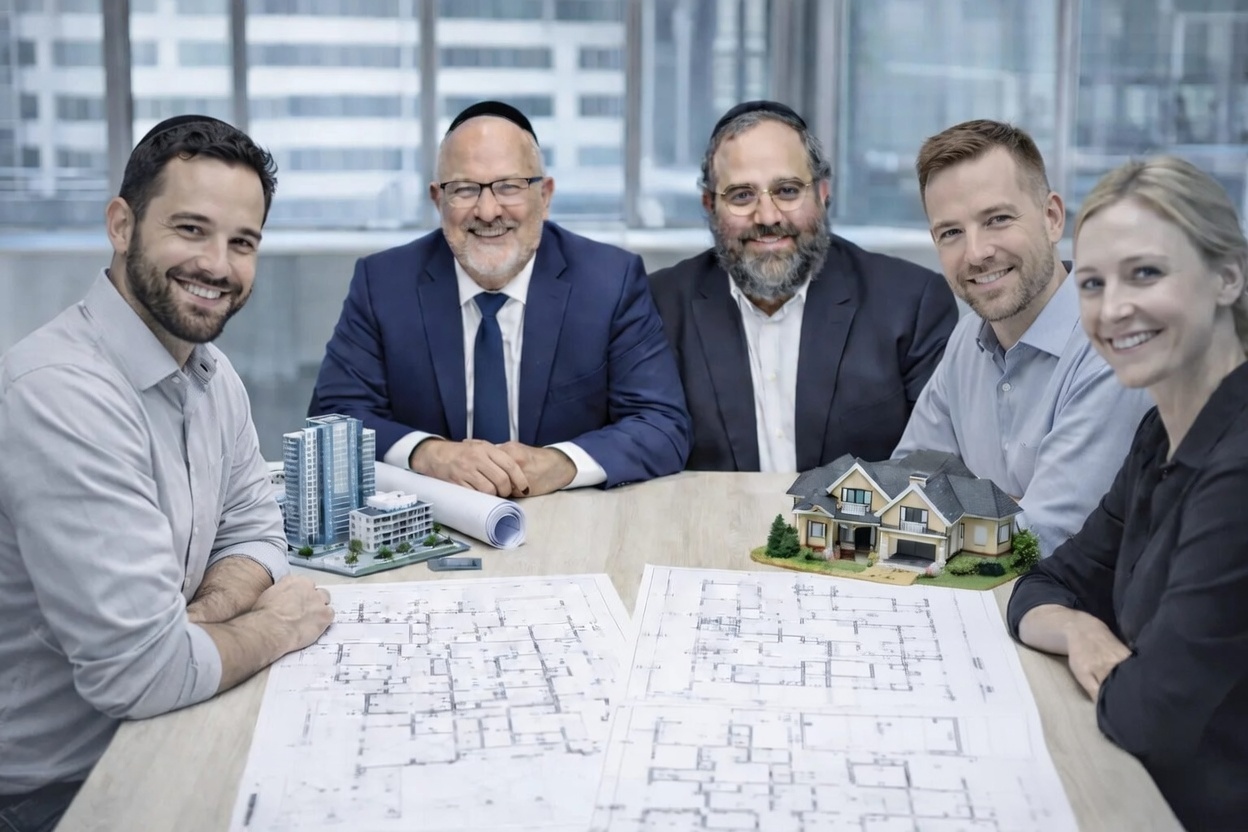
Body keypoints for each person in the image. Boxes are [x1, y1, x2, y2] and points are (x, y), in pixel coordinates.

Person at [0, 116, 334, 832]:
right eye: (191, 229)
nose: (218, 265)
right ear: (121, 225)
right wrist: (275, 626)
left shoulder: (212, 376)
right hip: (59, 791)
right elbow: (142, 674)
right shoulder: (59, 394)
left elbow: (256, 529)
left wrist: (196, 623)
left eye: (242, 242)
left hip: (169, 721)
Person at [1007, 156, 1248, 830]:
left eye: (1146, 273)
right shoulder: (1161, 432)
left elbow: (1149, 716)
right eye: (1091, 283)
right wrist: (1083, 629)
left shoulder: (1238, 471)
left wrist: (1121, 671)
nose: (1112, 310)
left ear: (1228, 275)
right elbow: (1045, 582)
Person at [310, 101, 690, 497]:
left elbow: (660, 423)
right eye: (465, 189)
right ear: (438, 200)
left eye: (509, 186)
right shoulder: (383, 283)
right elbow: (334, 418)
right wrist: (429, 454)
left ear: (545, 196)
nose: (488, 211)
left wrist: (560, 463)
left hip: (569, 519)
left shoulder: (609, 281)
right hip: (433, 522)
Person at [650, 100, 957, 473]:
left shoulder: (912, 304)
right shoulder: (657, 308)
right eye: (742, 195)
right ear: (709, 205)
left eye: (788, 190)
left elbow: (938, 466)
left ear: (822, 193)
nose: (767, 217)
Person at [893, 119, 1152, 556]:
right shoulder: (967, 339)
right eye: (951, 232)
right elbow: (903, 483)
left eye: (997, 219)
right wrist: (1008, 510)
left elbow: (1047, 541)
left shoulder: (1111, 347)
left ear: (1052, 218)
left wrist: (977, 507)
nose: (976, 253)